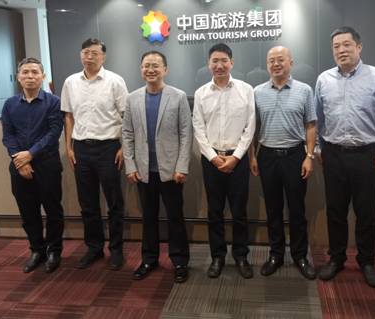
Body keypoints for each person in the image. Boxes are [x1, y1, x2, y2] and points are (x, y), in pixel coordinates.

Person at [315, 26, 375, 287]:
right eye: (336, 46)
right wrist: (318, 148)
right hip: (333, 154)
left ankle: (367, 261)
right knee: (335, 211)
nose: (341, 50)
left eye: (346, 45)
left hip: (365, 155)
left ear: (359, 47)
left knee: (365, 212)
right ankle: (336, 258)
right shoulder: (324, 79)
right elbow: (318, 117)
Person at [122, 51, 192, 283]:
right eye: (146, 66)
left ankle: (179, 261)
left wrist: (182, 166)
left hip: (171, 171)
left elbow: (186, 133)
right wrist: (130, 165)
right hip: (143, 170)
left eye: (155, 66)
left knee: (175, 217)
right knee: (148, 217)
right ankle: (149, 259)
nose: (150, 70)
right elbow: (127, 133)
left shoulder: (178, 96)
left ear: (165, 69)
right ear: (141, 69)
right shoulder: (132, 98)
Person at [249, 46, 317, 280]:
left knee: (297, 209)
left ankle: (300, 256)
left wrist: (309, 156)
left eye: (280, 59)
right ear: (267, 65)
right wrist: (253, 156)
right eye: (271, 60)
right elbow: (253, 128)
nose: (276, 64)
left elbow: (311, 125)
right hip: (267, 156)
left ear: (291, 62)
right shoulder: (257, 92)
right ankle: (275, 255)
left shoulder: (304, 90)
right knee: (273, 209)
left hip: (295, 155)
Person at [61, 38, 128, 270]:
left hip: (108, 148)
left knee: (114, 202)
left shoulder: (115, 81)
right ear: (81, 55)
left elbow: (126, 115)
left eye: (94, 53)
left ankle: (116, 250)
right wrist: (68, 146)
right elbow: (68, 116)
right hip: (81, 148)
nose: (89, 57)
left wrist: (123, 147)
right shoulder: (71, 82)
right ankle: (94, 247)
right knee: (87, 202)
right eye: (85, 52)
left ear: (103, 57)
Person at [193, 43, 256, 279]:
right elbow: (198, 129)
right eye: (214, 61)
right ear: (208, 64)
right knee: (215, 212)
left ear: (232, 63)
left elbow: (250, 127)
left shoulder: (246, 90)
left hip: (238, 160)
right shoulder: (201, 93)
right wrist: (213, 157)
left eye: (223, 61)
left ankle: (241, 256)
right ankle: (217, 257)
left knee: (239, 211)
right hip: (211, 161)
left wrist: (236, 156)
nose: (219, 65)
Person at [1, 57, 64, 274]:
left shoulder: (53, 102)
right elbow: (8, 135)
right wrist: (19, 160)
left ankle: (54, 251)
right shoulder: (10, 104)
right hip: (19, 166)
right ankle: (37, 250)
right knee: (28, 212)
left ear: (42, 76)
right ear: (18, 77)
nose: (30, 76)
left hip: (47, 164)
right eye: (25, 72)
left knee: (53, 210)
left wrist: (30, 154)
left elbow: (53, 133)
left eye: (35, 72)